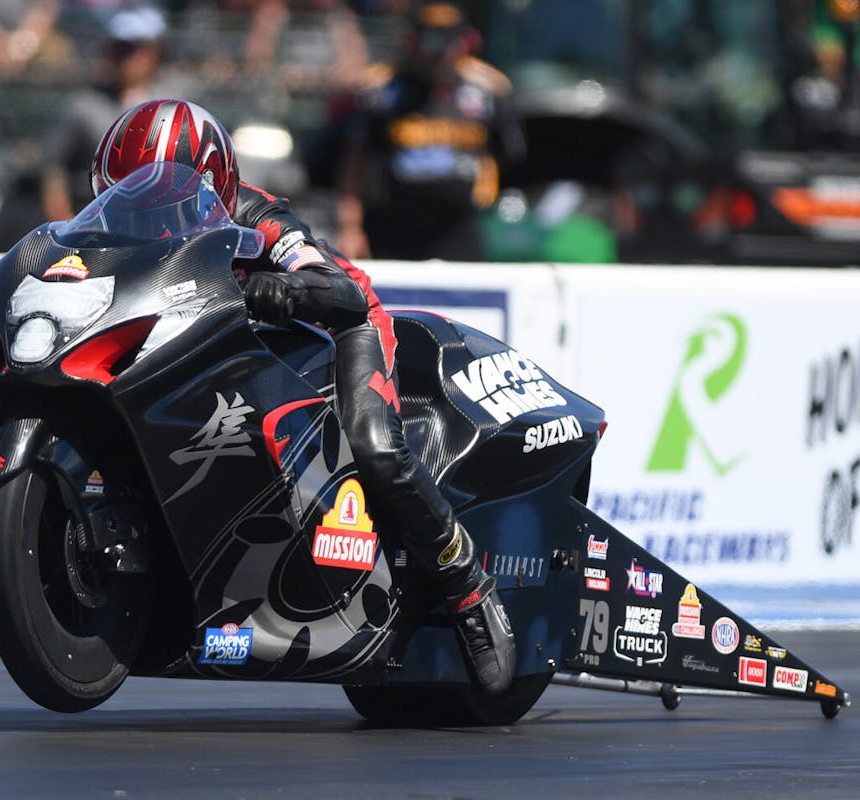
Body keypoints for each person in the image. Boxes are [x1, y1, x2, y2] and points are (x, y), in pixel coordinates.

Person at [90, 98, 515, 694]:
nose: (145, 210)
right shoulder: (113, 228)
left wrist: (281, 289)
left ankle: (466, 583)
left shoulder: (258, 214)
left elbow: (333, 287)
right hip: (227, 342)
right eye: (126, 193)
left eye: (161, 196)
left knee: (375, 449)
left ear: (211, 183)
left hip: (341, 325)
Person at [336, 2, 525, 261]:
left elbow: (508, 155)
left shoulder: (489, 91)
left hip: (460, 228)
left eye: (448, 45)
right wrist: (350, 227)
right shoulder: (383, 93)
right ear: (411, 42)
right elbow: (355, 163)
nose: (440, 55)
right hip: (395, 228)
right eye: (430, 44)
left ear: (466, 43)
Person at [41, 5, 168, 221]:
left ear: (153, 52)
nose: (125, 57)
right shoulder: (84, 105)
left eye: (133, 48)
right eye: (119, 48)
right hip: (92, 219)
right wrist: (64, 221)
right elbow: (54, 167)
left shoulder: (171, 104)